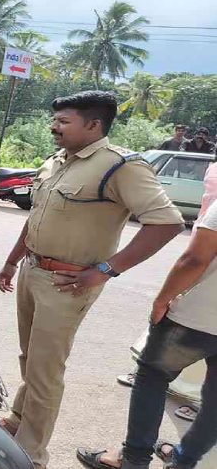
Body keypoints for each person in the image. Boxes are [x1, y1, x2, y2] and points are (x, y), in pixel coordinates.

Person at [0, 91, 185, 469]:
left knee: (46, 369)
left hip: (67, 282)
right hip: (33, 270)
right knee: (31, 357)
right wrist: (12, 261)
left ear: (94, 125)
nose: (53, 127)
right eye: (55, 120)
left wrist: (106, 270)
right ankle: (19, 419)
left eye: (63, 122)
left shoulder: (120, 166)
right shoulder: (57, 161)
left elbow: (166, 223)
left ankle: (30, 455)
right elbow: (37, 217)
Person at [77, 197, 217, 469]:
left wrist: (162, 300)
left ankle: (133, 460)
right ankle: (183, 462)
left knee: (152, 377)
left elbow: (194, 259)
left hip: (197, 317)